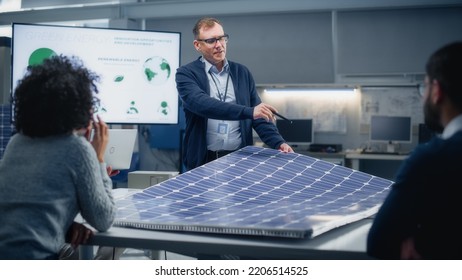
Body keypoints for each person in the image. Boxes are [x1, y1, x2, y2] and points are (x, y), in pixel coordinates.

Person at [0, 55, 116, 259]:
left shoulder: (17, 142)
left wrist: (65, 226)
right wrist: (98, 157)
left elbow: (27, 208)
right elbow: (104, 219)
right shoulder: (77, 148)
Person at [367, 41, 462, 259]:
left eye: (424, 86)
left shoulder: (433, 158)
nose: (423, 95)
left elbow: (380, 244)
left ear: (436, 91)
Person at [176, 17, 293, 171]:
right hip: (203, 161)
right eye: (211, 40)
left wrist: (279, 142)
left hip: (239, 160)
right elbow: (202, 104)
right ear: (197, 45)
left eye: (222, 38)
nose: (219, 45)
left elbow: (259, 117)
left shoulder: (242, 73)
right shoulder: (186, 74)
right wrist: (249, 112)